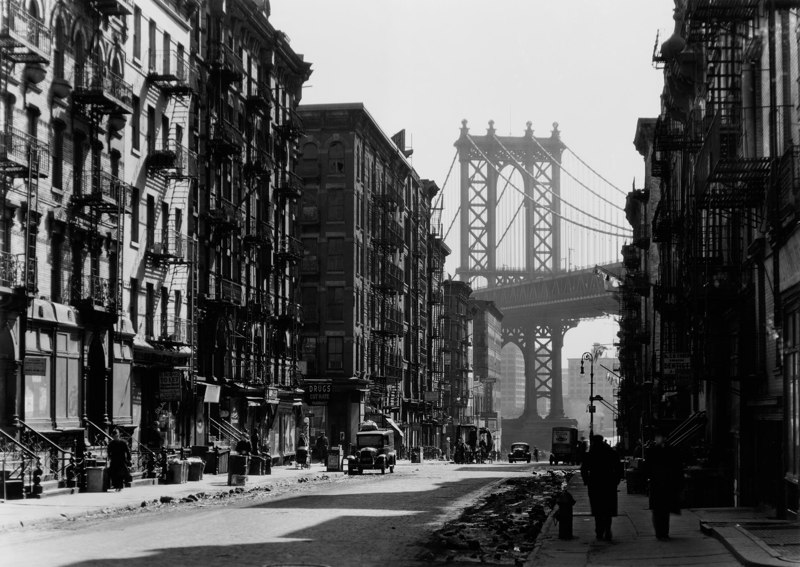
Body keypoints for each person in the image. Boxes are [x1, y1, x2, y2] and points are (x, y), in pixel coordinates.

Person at [643, 429, 683, 540]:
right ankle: (662, 532)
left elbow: (647, 468)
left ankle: (661, 532)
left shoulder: (653, 451)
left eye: (658, 437)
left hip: (660, 486)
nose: (657, 439)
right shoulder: (672, 451)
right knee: (662, 511)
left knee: (661, 511)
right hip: (664, 486)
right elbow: (678, 469)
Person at [580, 435, 621, 541]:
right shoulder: (610, 452)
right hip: (608, 482)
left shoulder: (591, 453)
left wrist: (586, 480)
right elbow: (619, 467)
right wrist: (616, 481)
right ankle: (608, 530)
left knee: (597, 508)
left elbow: (584, 469)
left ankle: (599, 531)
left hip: (595, 482)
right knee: (608, 508)